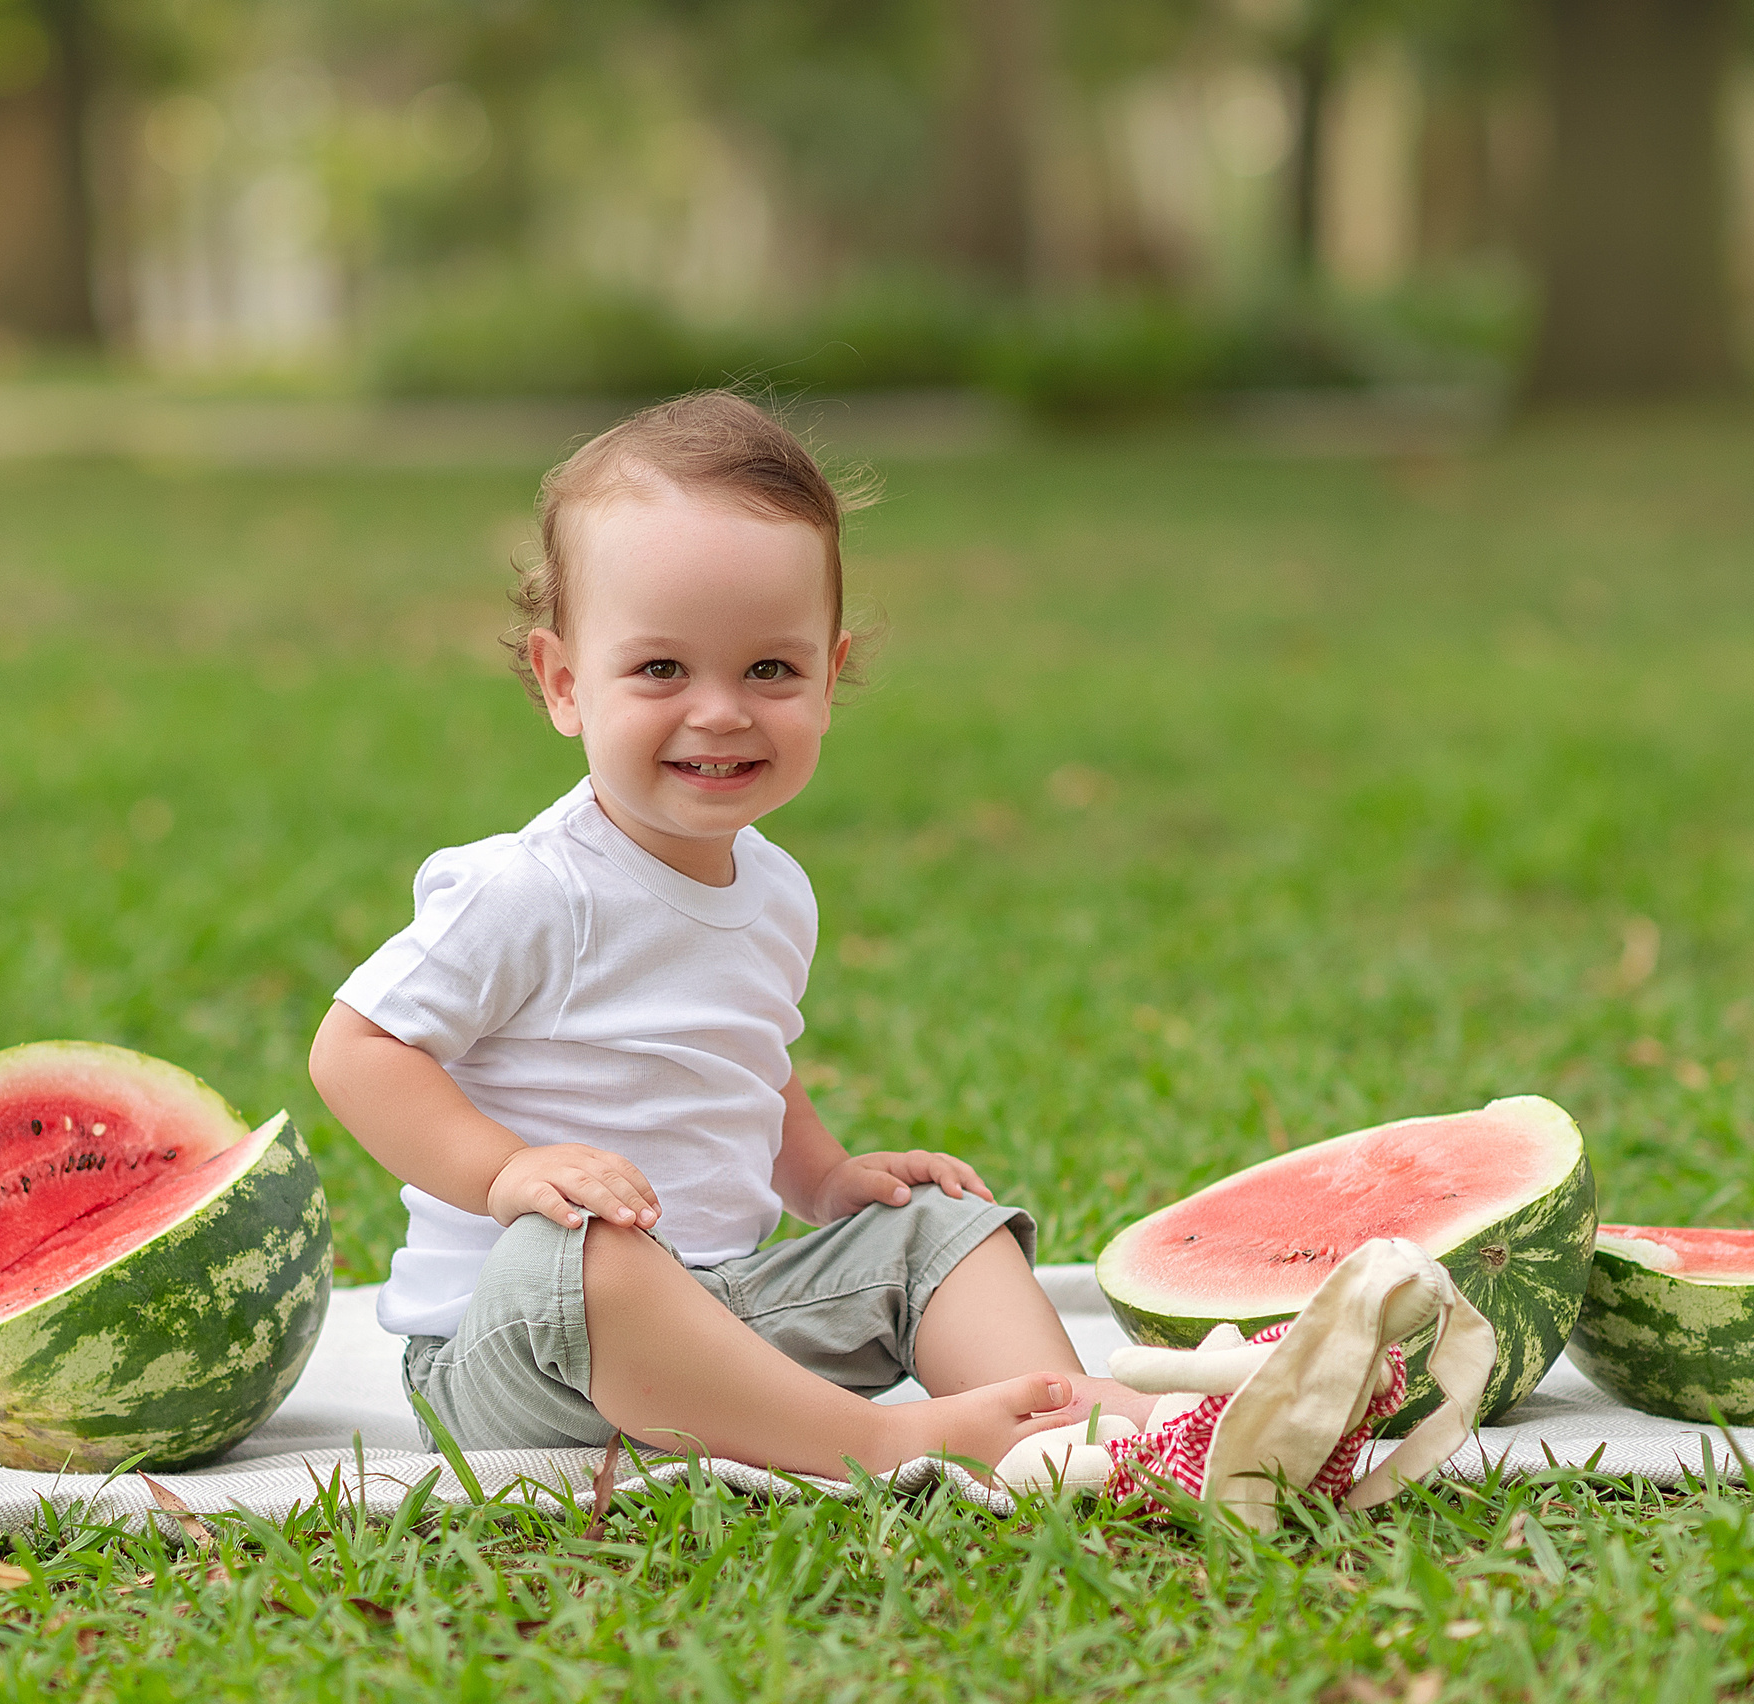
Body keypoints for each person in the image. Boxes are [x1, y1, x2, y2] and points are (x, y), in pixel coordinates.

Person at [309, 391, 1154, 1477]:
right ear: (565, 683)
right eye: (661, 669)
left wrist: (827, 1184)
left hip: (722, 1315)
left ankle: (1057, 1426)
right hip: (517, 1344)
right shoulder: (529, 889)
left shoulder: (774, 888)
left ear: (829, 675)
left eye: (770, 670)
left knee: (946, 1224)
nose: (720, 711)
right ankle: (880, 1442)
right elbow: (357, 1048)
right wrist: (508, 1174)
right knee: (590, 1255)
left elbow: (746, 1061)